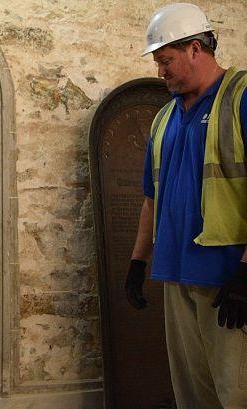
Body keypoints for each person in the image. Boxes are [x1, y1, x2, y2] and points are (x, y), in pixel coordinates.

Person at [125, 3, 247, 408]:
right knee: (193, 398)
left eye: (166, 61)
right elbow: (151, 197)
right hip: (177, 275)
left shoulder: (241, 98)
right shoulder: (164, 118)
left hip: (228, 281)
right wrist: (138, 262)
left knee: (236, 394)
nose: (160, 72)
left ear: (196, 48)